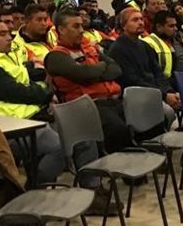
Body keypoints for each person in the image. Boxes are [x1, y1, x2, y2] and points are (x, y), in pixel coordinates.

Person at [0, 20, 65, 185]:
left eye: (9, 33)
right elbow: (16, 92)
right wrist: (46, 95)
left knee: (77, 136)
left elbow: (24, 78)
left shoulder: (1, 57)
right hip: (7, 127)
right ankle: (34, 189)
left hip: (27, 117)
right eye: (2, 34)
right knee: (61, 148)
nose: (9, 38)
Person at [44, 10, 131, 154]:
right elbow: (83, 75)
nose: (81, 30)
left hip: (114, 100)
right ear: (61, 29)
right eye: (76, 26)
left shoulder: (90, 49)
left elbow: (116, 69)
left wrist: (93, 71)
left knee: (147, 119)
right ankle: (125, 170)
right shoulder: (56, 56)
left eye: (81, 26)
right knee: (119, 130)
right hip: (88, 106)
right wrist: (103, 67)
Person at [107, 8, 180, 127]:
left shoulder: (145, 46)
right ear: (123, 25)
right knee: (168, 113)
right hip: (136, 96)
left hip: (154, 91)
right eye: (135, 20)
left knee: (179, 100)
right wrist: (163, 96)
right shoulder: (118, 49)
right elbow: (132, 80)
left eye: (141, 19)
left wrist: (168, 91)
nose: (140, 22)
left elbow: (158, 73)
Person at [144, 10, 183, 76]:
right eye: (171, 26)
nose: (175, 28)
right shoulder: (149, 43)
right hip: (168, 82)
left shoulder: (176, 39)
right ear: (159, 27)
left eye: (175, 25)